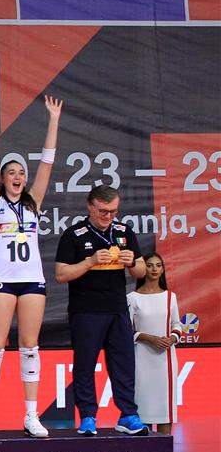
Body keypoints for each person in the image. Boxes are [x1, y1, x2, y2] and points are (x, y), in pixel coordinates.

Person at [0, 95, 62, 439]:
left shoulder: (33, 203)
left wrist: (53, 119)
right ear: (2, 179)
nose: (18, 176)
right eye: (12, 172)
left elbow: (47, 163)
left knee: (30, 346)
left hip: (32, 281)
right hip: (1, 281)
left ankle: (31, 415)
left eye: (21, 173)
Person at [55, 185, 149, 436]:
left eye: (113, 211)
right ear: (90, 206)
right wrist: (90, 261)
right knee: (85, 365)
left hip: (117, 308)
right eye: (103, 211)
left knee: (123, 364)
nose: (108, 216)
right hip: (86, 310)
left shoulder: (124, 231)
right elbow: (61, 274)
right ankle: (88, 417)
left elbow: (141, 270)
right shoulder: (74, 234)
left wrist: (132, 263)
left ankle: (128, 415)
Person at [127, 253, 182, 434]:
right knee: (143, 411)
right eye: (150, 265)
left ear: (163, 269)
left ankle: (164, 450)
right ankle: (146, 448)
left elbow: (177, 325)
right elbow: (126, 331)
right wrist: (149, 338)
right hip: (141, 360)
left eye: (158, 265)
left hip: (165, 361)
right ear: (143, 269)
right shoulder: (132, 298)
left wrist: (172, 338)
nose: (154, 269)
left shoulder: (170, 297)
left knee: (165, 411)